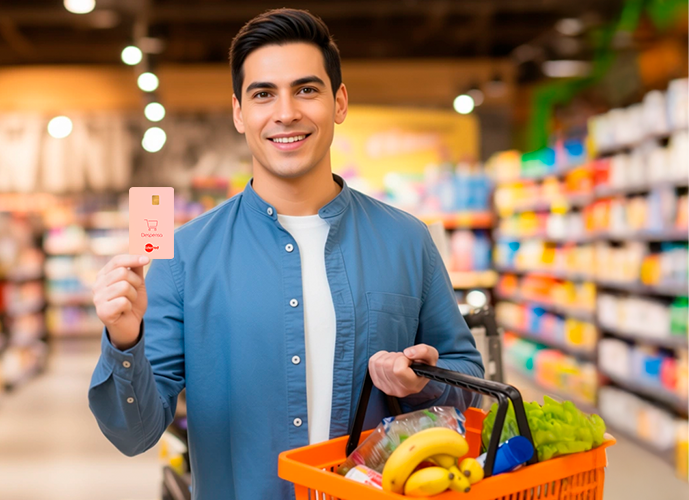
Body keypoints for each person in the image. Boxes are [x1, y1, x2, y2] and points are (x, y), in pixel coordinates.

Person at [89, 8, 484, 499]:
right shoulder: (184, 255)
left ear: (339, 102)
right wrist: (125, 339)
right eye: (263, 94)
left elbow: (471, 385)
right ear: (239, 113)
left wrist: (424, 381)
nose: (286, 112)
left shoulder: (407, 240)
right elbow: (135, 433)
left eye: (307, 89)